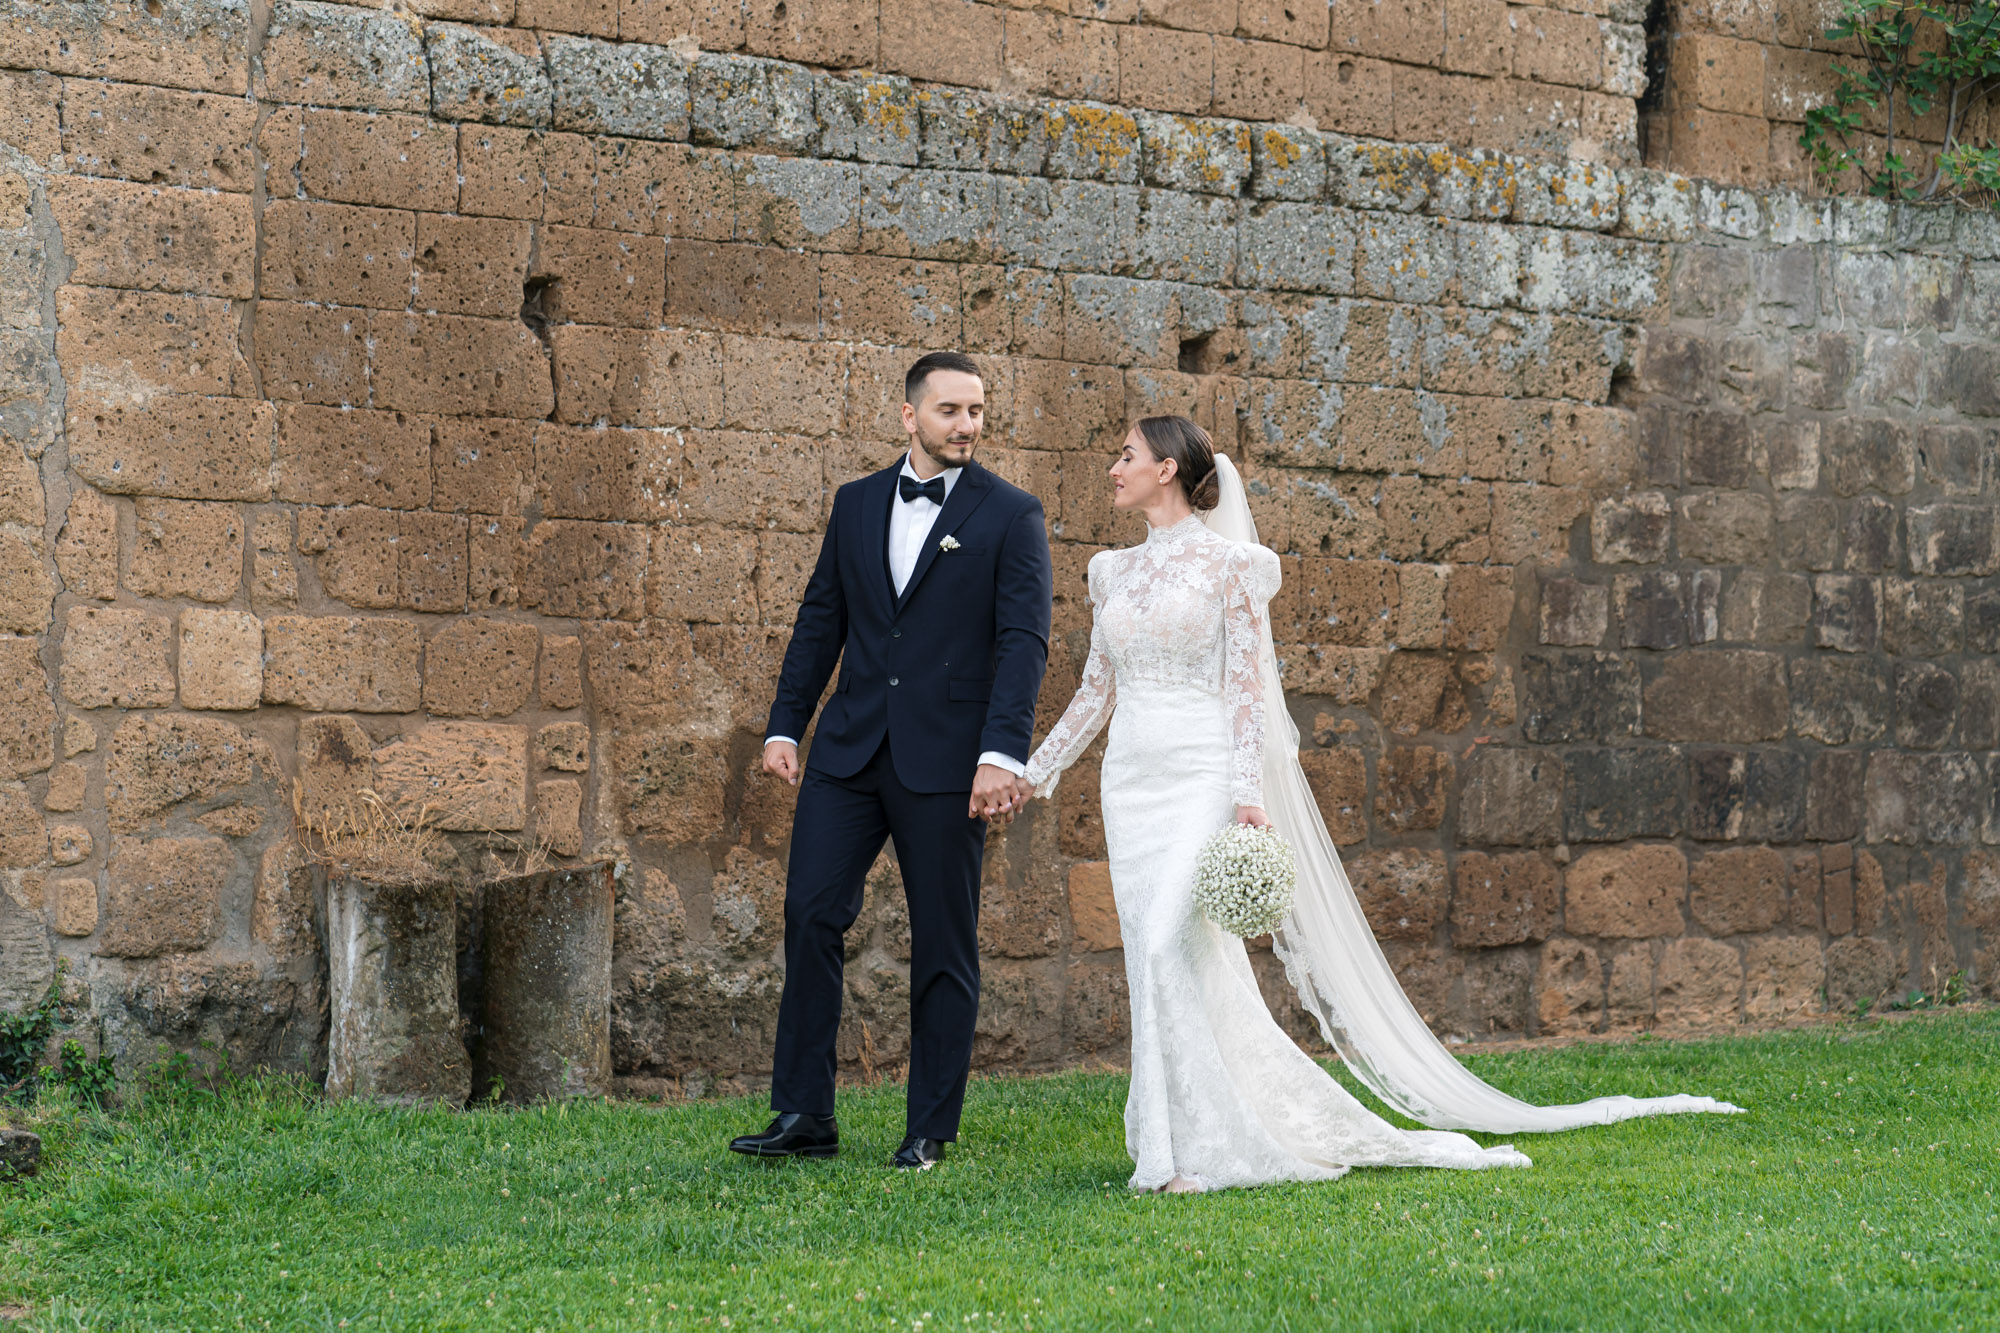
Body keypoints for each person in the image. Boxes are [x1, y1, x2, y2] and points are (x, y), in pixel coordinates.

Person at [1019, 415, 1742, 1193]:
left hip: (1198, 776)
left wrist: (1245, 796)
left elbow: (1247, 693)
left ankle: (1195, 1153)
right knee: (1160, 963)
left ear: (1166, 468)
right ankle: (1173, 1142)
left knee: (1168, 944)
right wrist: (1032, 772)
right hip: (1130, 782)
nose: (1112, 468)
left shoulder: (1235, 567)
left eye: (1125, 456)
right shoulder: (1111, 573)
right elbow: (1097, 690)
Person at [730, 352, 1053, 1171]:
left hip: (951, 763)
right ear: (909, 416)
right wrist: (784, 727)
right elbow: (820, 619)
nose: (968, 426)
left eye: (976, 411)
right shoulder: (857, 502)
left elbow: (1024, 644)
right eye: (950, 411)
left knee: (944, 942)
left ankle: (928, 1128)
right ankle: (804, 1111)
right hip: (849, 750)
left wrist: (1000, 754)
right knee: (810, 913)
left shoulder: (1011, 514)